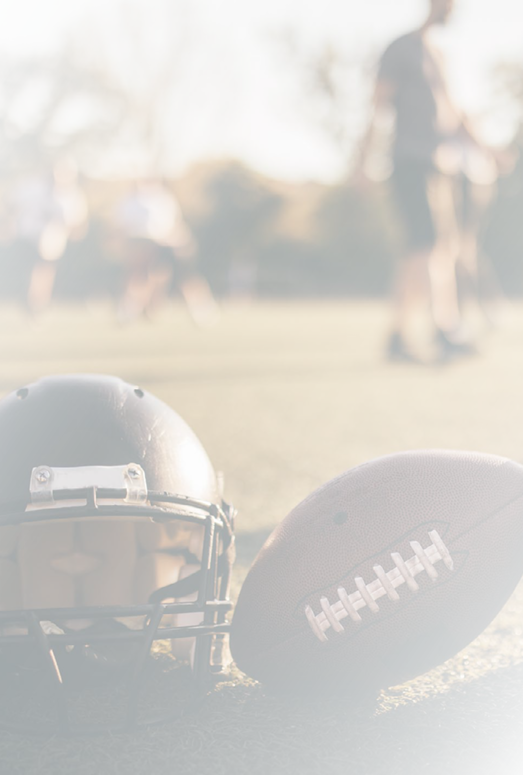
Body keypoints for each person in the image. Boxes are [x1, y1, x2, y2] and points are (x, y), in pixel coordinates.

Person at [353, 0, 504, 362]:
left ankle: (398, 336)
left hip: (442, 166)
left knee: (428, 251)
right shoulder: (401, 48)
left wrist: (486, 149)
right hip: (410, 161)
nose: (455, 8)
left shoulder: (438, 54)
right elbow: (378, 105)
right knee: (428, 246)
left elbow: (452, 112)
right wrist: (362, 161)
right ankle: (446, 328)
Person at [113, 176, 219, 326]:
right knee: (139, 279)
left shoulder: (164, 199)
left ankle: (201, 310)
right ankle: (130, 311)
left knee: (185, 279)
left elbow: (176, 224)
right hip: (142, 245)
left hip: (167, 245)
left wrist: (181, 243)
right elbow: (121, 229)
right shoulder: (128, 201)